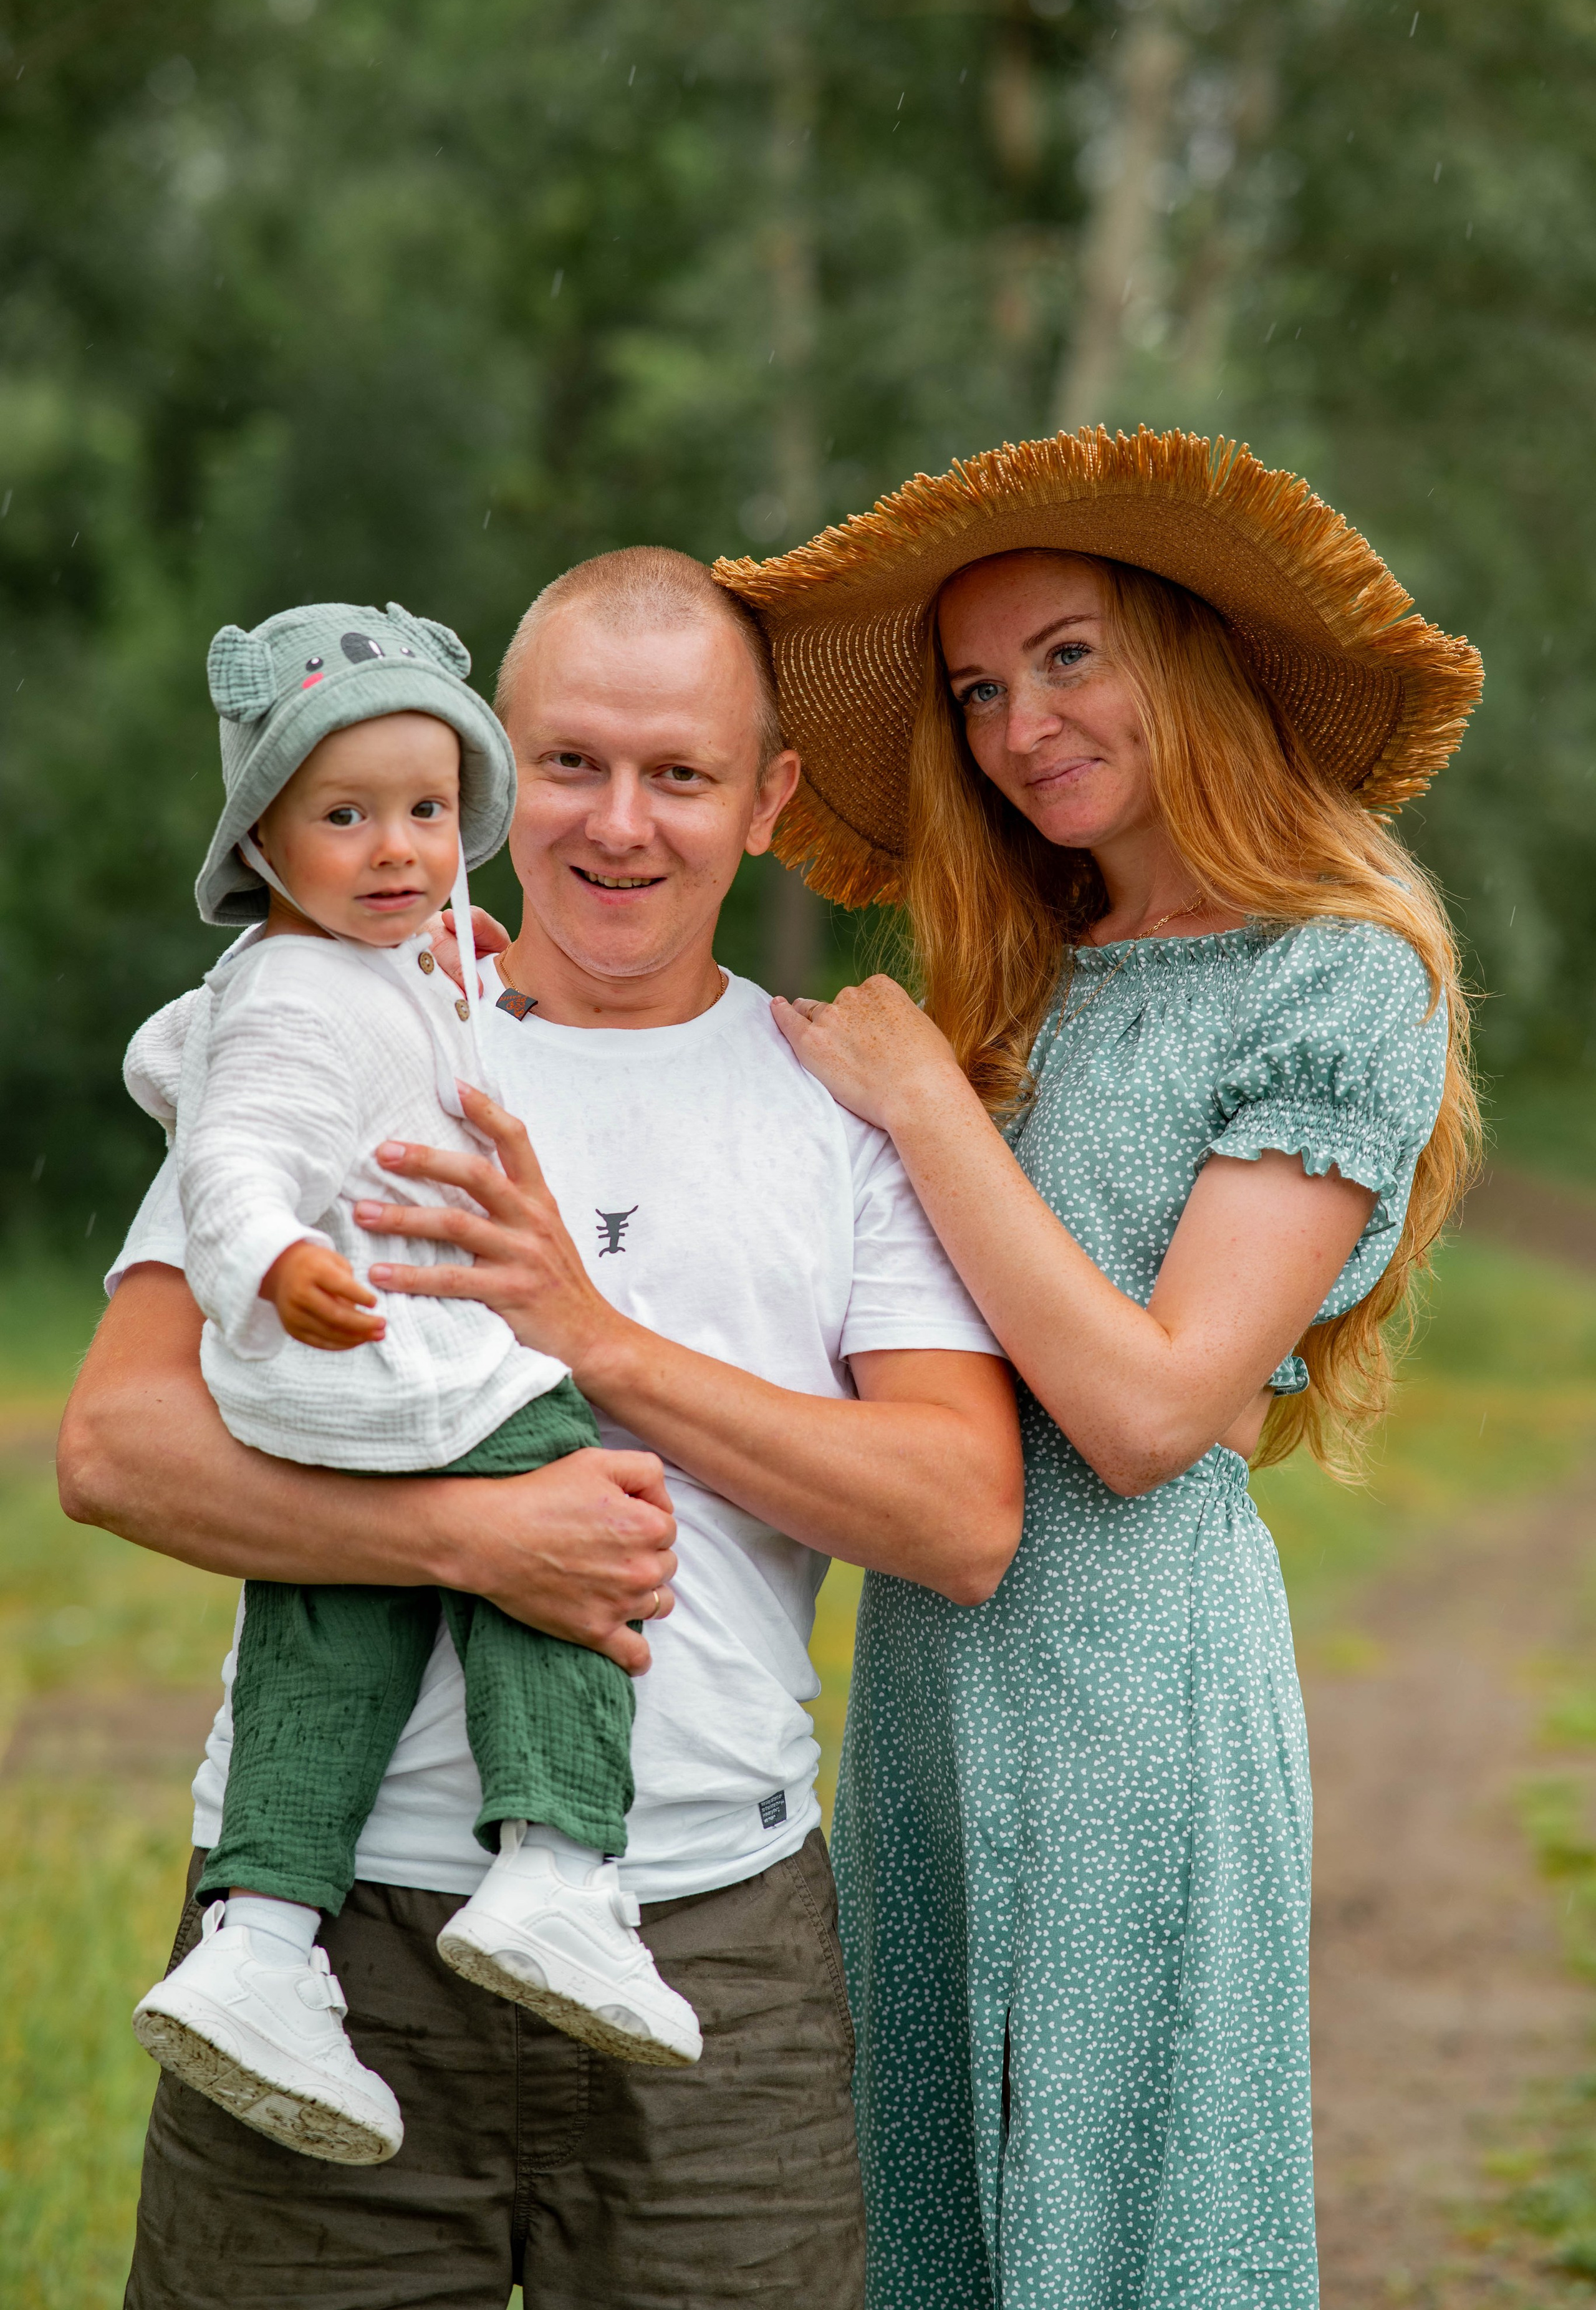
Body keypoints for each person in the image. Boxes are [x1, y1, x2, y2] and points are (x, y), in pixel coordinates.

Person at [57, 547, 1024, 2310]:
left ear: (769, 799)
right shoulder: (339, 1022)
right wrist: (462, 1536)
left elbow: (959, 1512)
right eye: (572, 763)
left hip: (711, 1943)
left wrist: (592, 1338)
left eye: (682, 775)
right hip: (326, 1923)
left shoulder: (836, 1108)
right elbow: (118, 1443)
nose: (620, 825)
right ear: (496, 760)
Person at [721, 426, 1484, 2310]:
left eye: (1069, 654)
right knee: (929, 2219)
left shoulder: (1339, 977)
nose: (1017, 725)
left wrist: (925, 1105)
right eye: (979, 687)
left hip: (1143, 1678)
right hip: (923, 1671)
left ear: (1186, 653)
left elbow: (1152, 1416)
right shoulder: (1013, 975)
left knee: (1132, 2230)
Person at [124, 599, 701, 2177]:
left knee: (335, 1618)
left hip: (317, 1416)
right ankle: (560, 1862)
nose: (399, 852)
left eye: (432, 814)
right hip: (398, 1361)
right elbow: (240, 1147)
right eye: (345, 817)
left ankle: (257, 1939)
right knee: (565, 1499)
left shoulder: (335, 967)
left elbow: (197, 1056)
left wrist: (443, 970)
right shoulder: (312, 1001)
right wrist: (265, 1267)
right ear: (264, 838)